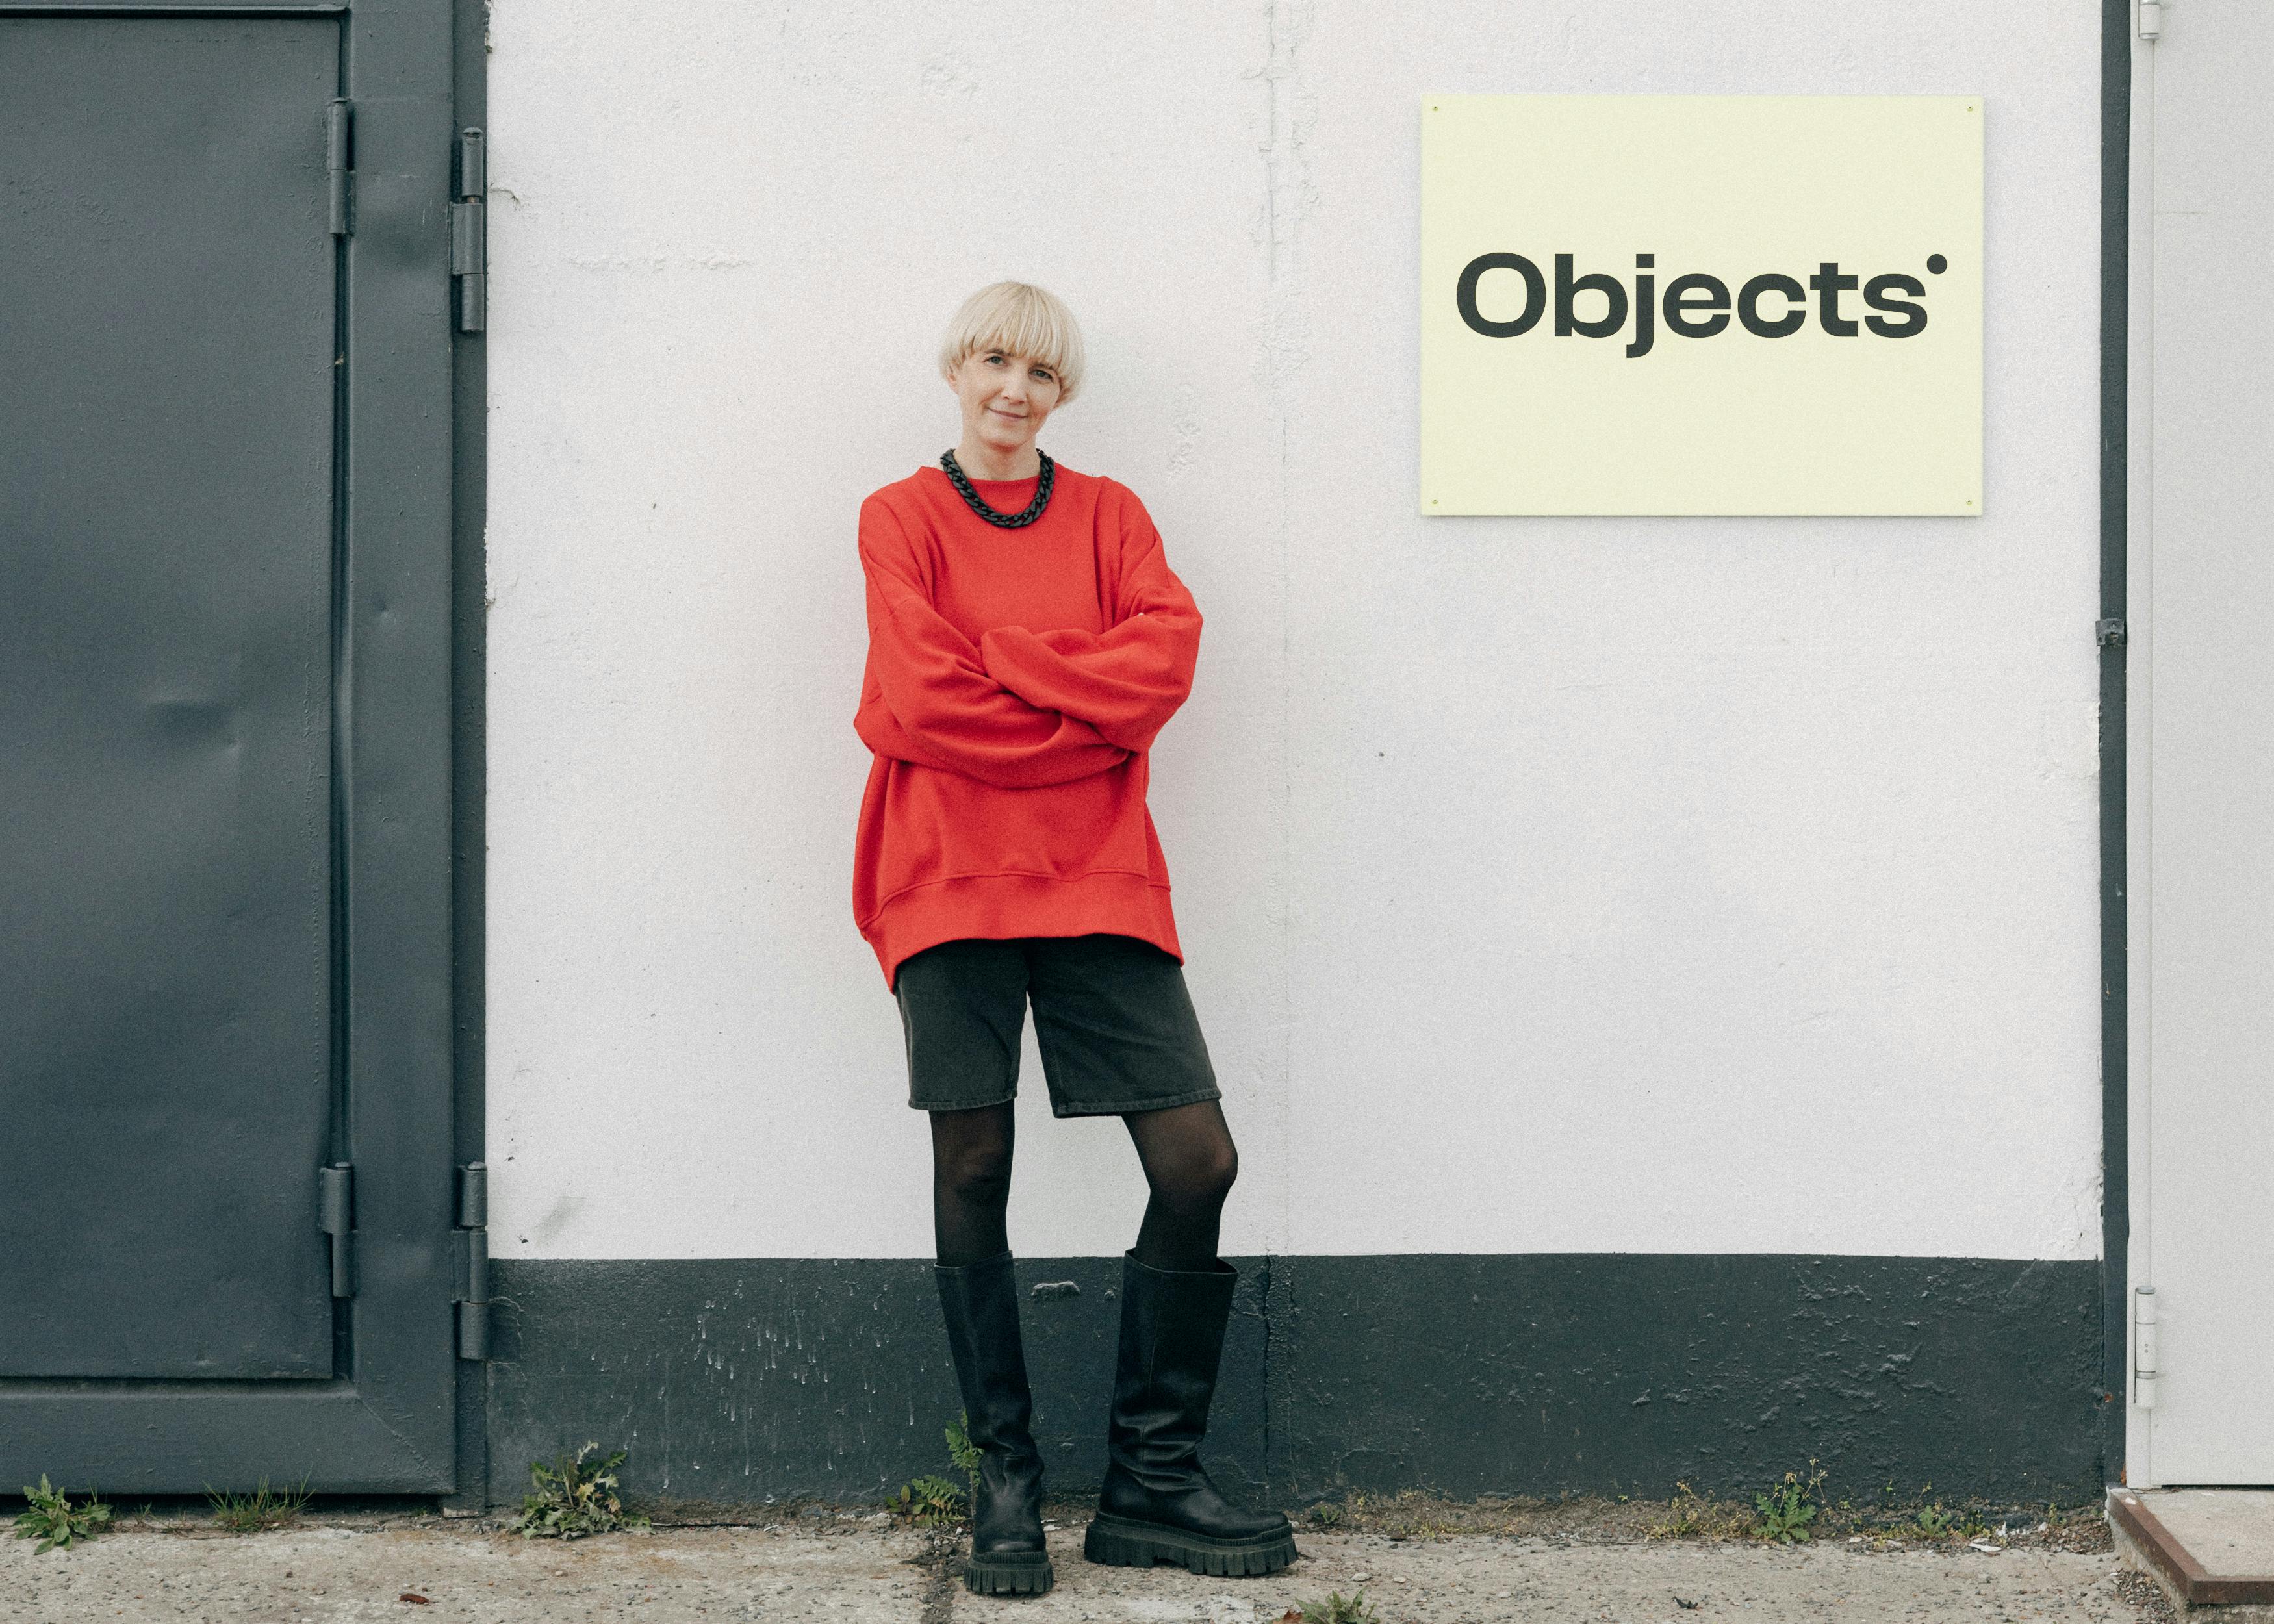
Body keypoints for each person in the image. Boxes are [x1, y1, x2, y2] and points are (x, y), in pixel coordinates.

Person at [851, 281, 1298, 1597]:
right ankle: (1006, 1471)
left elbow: (1161, 664)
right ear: (958, 366)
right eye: (994, 360)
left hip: (1098, 876)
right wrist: (1077, 696)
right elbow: (918, 700)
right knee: (974, 1157)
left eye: (1041, 372)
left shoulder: (1111, 516)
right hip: (944, 875)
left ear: (1063, 391)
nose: (1014, 389)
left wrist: (1011, 655)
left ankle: (1152, 1477)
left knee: (1196, 1155)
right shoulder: (900, 517)